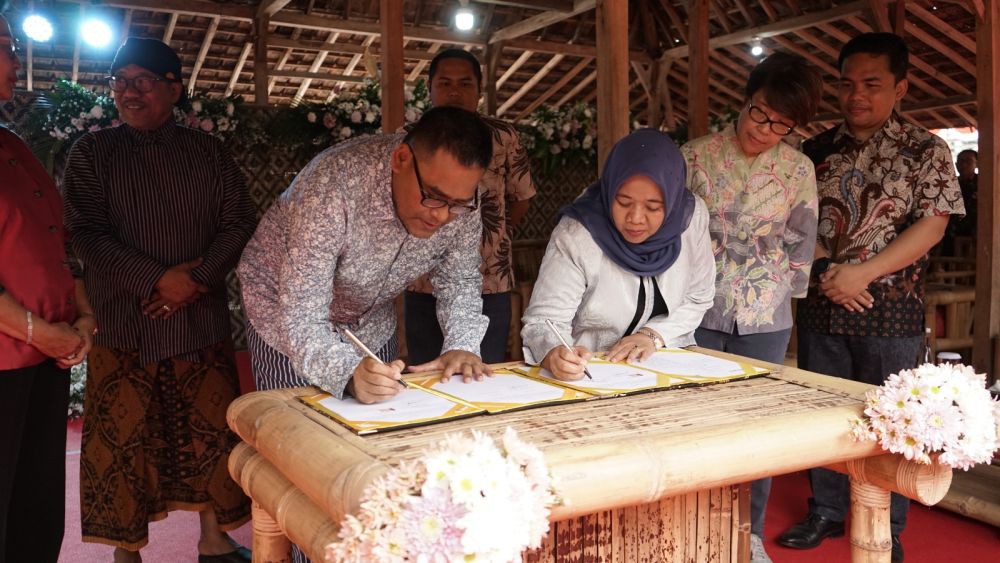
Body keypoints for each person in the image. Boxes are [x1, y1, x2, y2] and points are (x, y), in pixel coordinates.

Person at [62, 38, 257, 563]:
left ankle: (213, 538)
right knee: (124, 441)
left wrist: (192, 282)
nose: (128, 91)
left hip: (198, 322)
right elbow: (85, 234)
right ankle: (127, 551)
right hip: (126, 322)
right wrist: (156, 280)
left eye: (141, 80)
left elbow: (239, 222)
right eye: (119, 81)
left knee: (211, 435)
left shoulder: (208, 152)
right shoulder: (92, 153)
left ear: (174, 87)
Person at [775, 33, 964, 563]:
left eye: (872, 84)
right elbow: (793, 223)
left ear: (900, 87)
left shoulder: (927, 149)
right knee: (825, 412)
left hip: (892, 307)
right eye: (847, 84)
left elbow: (932, 226)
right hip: (822, 299)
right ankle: (827, 511)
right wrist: (827, 271)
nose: (856, 95)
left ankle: (889, 521)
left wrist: (865, 273)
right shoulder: (813, 152)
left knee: (890, 416)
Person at [238, 106, 494, 408]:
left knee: (381, 419)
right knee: (297, 429)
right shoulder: (332, 186)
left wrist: (462, 346)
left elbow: (460, 279)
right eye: (433, 196)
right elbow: (302, 316)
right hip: (284, 313)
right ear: (401, 159)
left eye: (457, 204)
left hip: (370, 322)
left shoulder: (461, 205)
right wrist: (346, 372)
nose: (441, 215)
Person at [681, 51, 822, 563]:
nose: (767, 129)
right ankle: (689, 529)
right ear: (746, 100)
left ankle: (750, 534)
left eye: (782, 124)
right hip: (695, 311)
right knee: (695, 421)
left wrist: (784, 296)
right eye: (761, 114)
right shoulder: (694, 157)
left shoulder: (799, 168)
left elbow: (801, 242)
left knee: (757, 425)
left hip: (765, 314)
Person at [0, 12, 95, 563]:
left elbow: (58, 246)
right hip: (8, 358)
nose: (16, 61)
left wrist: (81, 318)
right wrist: (43, 332)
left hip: (43, 359)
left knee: (35, 505)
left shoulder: (12, 143)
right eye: (7, 48)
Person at [521, 129, 715, 379]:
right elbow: (544, 320)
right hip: (595, 373)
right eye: (623, 202)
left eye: (653, 207)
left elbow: (699, 296)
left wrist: (653, 336)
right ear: (609, 190)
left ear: (674, 200)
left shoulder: (690, 218)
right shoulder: (577, 233)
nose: (635, 219)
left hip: (669, 363)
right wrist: (554, 353)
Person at [404, 48, 536, 365]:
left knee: (481, 368)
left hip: (489, 276)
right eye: (445, 83)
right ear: (429, 88)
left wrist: (496, 234)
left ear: (479, 90)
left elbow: (522, 196)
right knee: (426, 371)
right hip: (424, 278)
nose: (455, 92)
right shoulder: (409, 139)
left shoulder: (504, 137)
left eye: (465, 84)